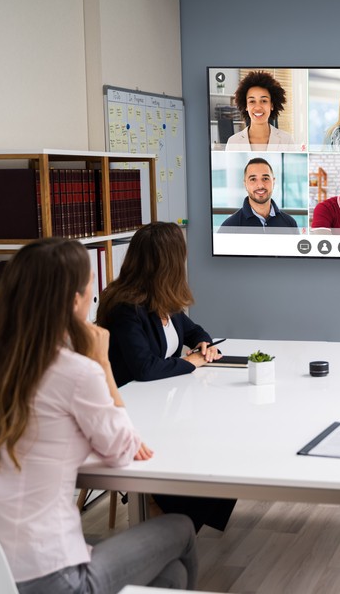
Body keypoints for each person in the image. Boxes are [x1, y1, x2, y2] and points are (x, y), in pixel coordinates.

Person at [0, 238, 197, 593]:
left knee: (172, 575)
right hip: (53, 578)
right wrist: (102, 364)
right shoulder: (77, 372)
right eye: (89, 286)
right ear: (73, 301)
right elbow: (123, 451)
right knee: (182, 529)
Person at [97, 221, 236, 533]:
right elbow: (144, 368)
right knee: (204, 447)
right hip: (134, 412)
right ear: (168, 262)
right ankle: (168, 513)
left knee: (223, 444)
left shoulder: (163, 299)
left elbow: (193, 330)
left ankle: (176, 517)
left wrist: (203, 344)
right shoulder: (125, 307)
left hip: (163, 404)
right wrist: (192, 362)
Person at [219, 157, 298, 233]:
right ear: (245, 184)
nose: (260, 185)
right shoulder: (229, 227)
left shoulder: (290, 224)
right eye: (253, 179)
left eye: (265, 178)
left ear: (273, 182)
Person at [226, 71, 295, 151]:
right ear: (246, 106)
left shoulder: (287, 141)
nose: (258, 107)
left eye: (264, 101)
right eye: (252, 101)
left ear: (272, 105)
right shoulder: (233, 142)